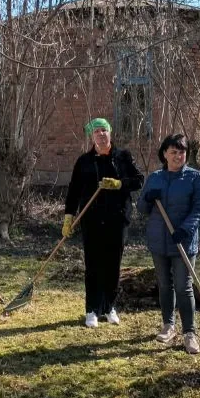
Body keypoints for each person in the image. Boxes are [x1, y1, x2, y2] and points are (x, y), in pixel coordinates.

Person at [63, 118, 144, 328]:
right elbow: (73, 191)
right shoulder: (84, 161)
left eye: (104, 130)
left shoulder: (123, 157)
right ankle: (92, 309)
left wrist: (120, 184)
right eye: (97, 131)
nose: (101, 134)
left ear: (110, 133)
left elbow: (139, 180)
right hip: (91, 221)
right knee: (93, 265)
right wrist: (69, 216)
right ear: (92, 136)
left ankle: (109, 307)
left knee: (112, 265)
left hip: (117, 221)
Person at [136, 134, 200, 354]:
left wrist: (186, 229)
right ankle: (168, 325)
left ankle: (190, 333)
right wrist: (147, 199)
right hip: (159, 241)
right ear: (165, 154)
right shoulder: (155, 178)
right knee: (165, 285)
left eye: (182, 152)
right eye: (174, 152)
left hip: (183, 241)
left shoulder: (195, 178)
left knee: (183, 286)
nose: (178, 156)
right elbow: (141, 208)